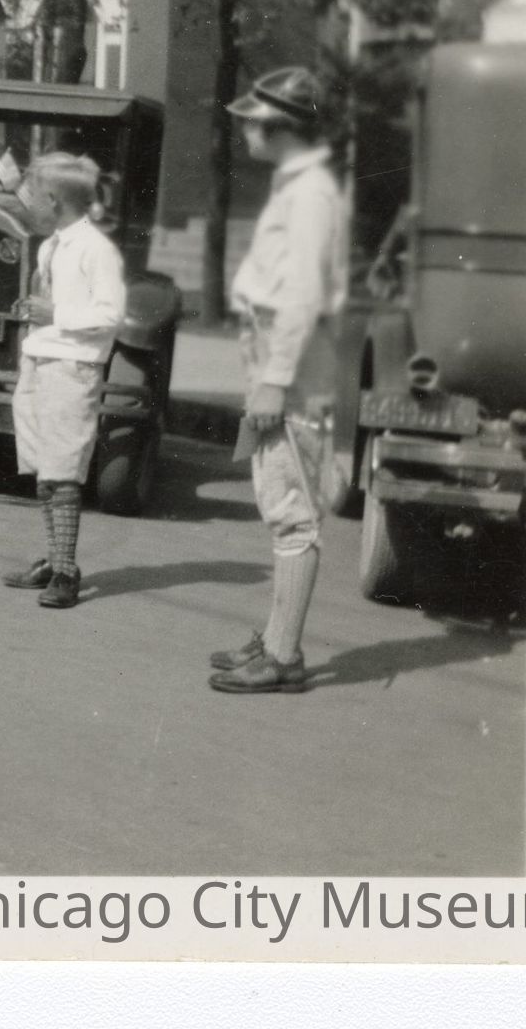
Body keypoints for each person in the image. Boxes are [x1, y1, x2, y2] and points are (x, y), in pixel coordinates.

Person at [209, 66, 349, 694]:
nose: (244, 132)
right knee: (278, 498)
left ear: (279, 126)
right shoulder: (297, 185)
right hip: (274, 354)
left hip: (291, 365)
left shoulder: (311, 193)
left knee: (291, 511)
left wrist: (274, 381)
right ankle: (274, 638)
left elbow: (303, 295)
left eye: (252, 122)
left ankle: (285, 656)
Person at [2, 153, 128, 610]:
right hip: (40, 360)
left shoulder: (96, 248)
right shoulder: (51, 244)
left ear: (54, 200)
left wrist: (56, 314)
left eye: (33, 195)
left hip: (71, 368)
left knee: (63, 470)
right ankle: (53, 559)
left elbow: (111, 314)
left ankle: (67, 571)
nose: (27, 203)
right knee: (43, 468)